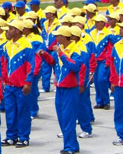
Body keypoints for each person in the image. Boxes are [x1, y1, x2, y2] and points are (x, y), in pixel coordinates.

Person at [39, 26, 82, 154]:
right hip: (60, 88)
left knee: (69, 119)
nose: (56, 38)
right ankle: (72, 145)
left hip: (70, 89)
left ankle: (69, 147)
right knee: (62, 118)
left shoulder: (75, 50)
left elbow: (75, 66)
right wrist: (45, 55)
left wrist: (61, 54)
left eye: (58, 36)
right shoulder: (60, 49)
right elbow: (54, 63)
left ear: (64, 37)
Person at [2, 19, 35, 148]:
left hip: (21, 86)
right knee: (10, 111)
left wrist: (28, 82)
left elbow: (30, 65)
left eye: (10, 29)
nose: (8, 31)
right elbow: (4, 64)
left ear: (17, 30)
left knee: (23, 111)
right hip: (10, 86)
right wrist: (4, 80)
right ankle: (11, 136)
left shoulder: (27, 45)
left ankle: (24, 137)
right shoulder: (7, 45)